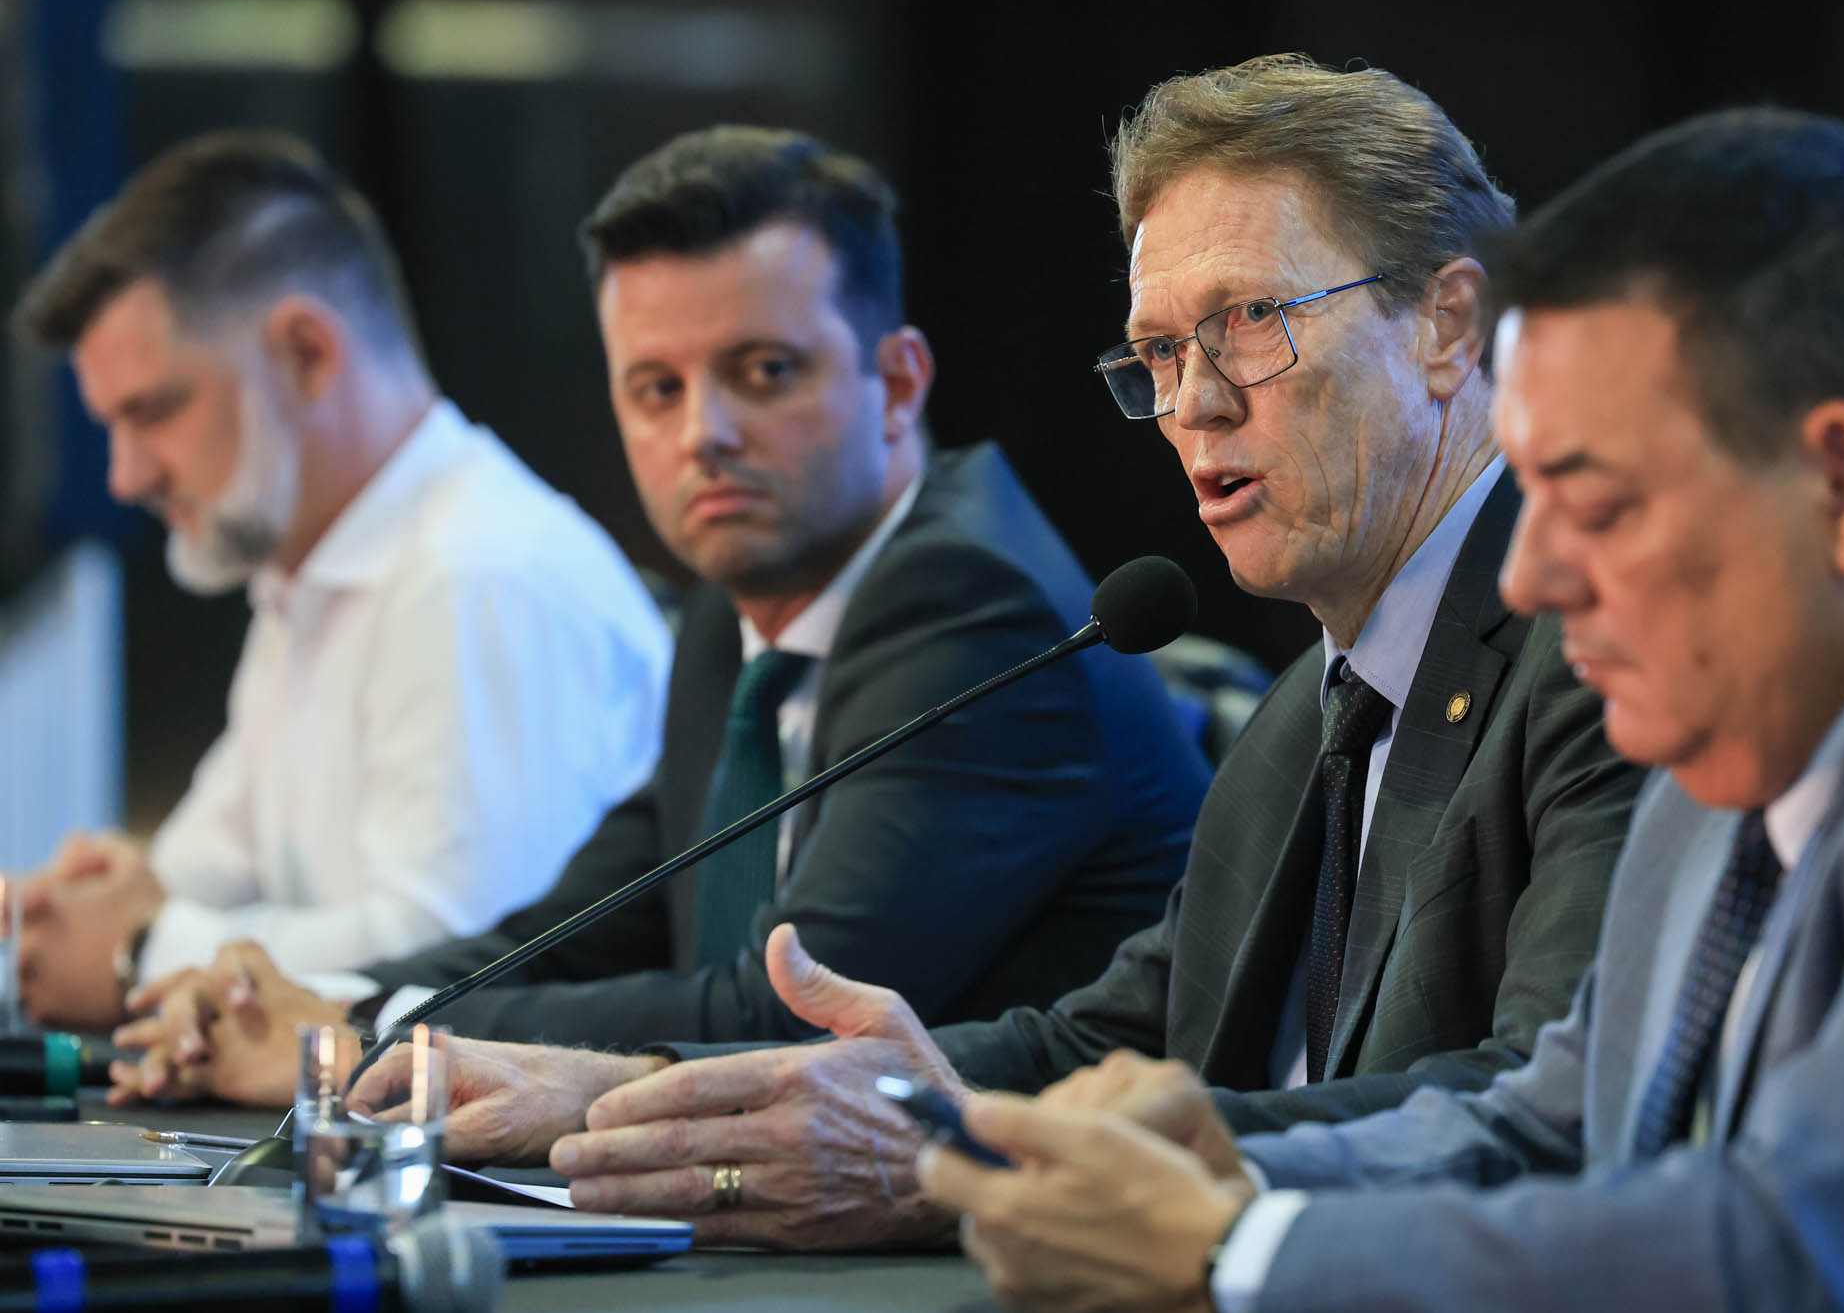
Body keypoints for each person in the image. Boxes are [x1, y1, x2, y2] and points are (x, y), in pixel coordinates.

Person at [345, 55, 1646, 1251]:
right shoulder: (1312, 711)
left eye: (1252, 318)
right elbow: (1097, 1047)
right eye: (1160, 351)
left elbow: (1543, 1105)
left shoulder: (1607, 663)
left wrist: (964, 1156)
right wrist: (631, 1092)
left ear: (1447, 325)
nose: (1194, 404)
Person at [918, 106, 1844, 1313]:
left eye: (1595, 504)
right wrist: (1205, 1182)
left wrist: (1237, 1253)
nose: (1531, 575)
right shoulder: (1747, 723)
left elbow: (1825, 1242)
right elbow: (1549, 1124)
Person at [108, 125, 1211, 1107]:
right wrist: (316, 1000)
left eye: (763, 371)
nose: (702, 434)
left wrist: (366, 1034)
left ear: (897, 385)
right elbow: (566, 937)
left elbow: (784, 1015)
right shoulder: (732, 612)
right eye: (657, 388)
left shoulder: (971, 601)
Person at [11, 131, 673, 1033]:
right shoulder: (311, 574)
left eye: (155, 410)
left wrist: (141, 952)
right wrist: (81, 908)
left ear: (308, 354)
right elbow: (195, 878)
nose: (126, 476)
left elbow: (462, 963)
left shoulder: (478, 573)